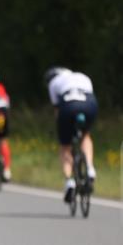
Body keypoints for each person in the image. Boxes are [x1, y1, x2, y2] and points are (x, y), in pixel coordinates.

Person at [44, 67, 98, 203]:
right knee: (85, 135)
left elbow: (57, 109)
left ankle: (69, 182)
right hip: (89, 104)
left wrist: (61, 130)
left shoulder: (54, 82)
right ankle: (90, 168)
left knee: (65, 146)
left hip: (68, 106)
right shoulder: (83, 75)